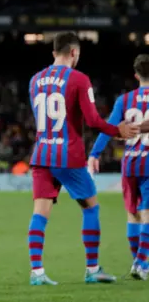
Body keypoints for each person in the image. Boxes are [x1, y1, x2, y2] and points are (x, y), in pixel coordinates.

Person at [27, 32, 138, 286]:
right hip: (67, 154)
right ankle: (92, 268)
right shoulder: (79, 79)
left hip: (42, 153)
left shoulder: (35, 80)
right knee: (91, 206)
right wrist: (117, 130)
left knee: (40, 213)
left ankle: (37, 272)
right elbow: (92, 121)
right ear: (74, 52)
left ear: (54, 51)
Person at [88, 54, 149, 280]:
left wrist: (94, 153)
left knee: (132, 215)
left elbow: (109, 128)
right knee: (147, 215)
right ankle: (141, 264)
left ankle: (139, 264)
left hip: (130, 163)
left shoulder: (124, 101)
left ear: (136, 75)